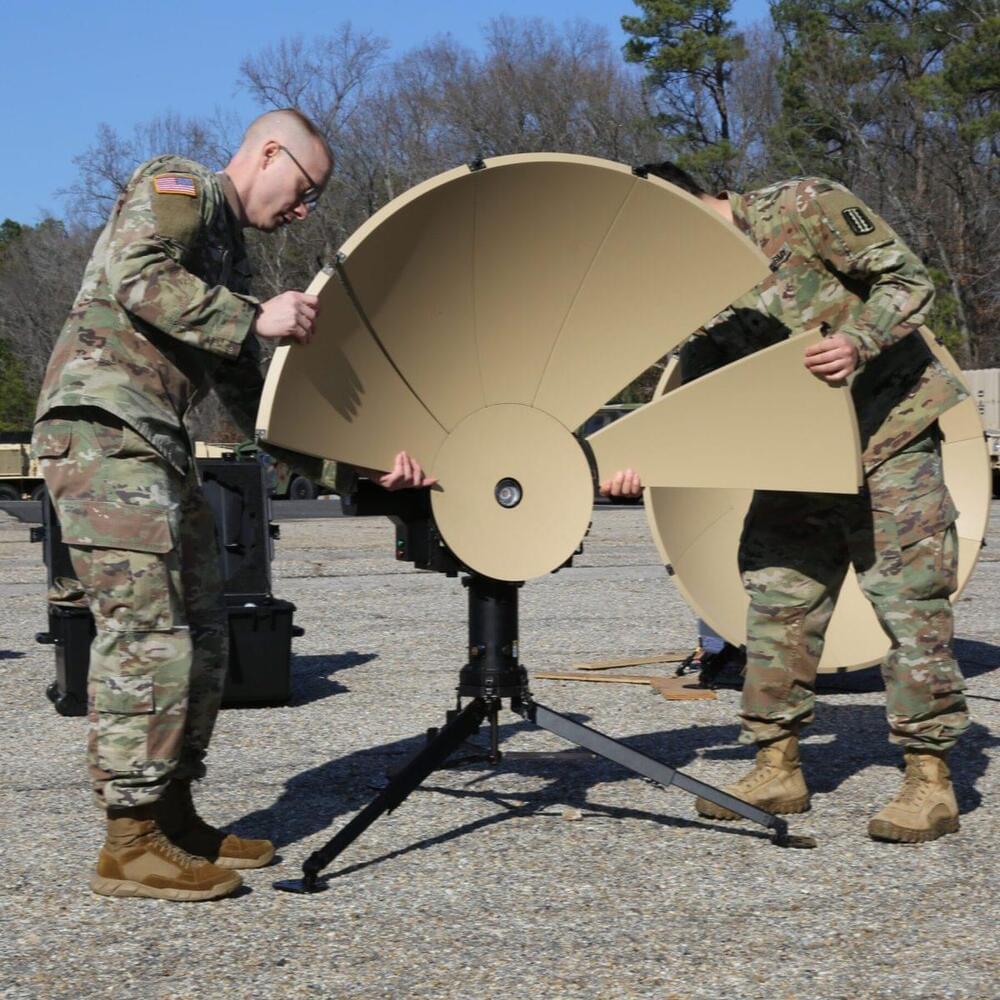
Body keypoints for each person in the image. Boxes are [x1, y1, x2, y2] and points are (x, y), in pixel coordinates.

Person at [32, 108, 434, 901]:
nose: (304, 209)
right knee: (147, 633)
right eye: (305, 189)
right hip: (102, 430)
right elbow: (133, 273)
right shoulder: (178, 188)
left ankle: (174, 814)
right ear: (269, 151)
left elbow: (253, 399)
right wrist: (254, 314)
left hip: (153, 443)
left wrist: (352, 470)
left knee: (205, 632)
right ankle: (129, 841)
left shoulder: (226, 253)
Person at [601, 161, 969, 843]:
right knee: (777, 604)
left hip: (891, 435)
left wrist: (856, 340)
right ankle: (777, 766)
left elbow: (909, 278)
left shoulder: (803, 205)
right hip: (798, 458)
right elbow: (697, 404)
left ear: (685, 205)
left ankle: (930, 779)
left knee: (910, 605)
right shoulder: (694, 293)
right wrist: (638, 463)